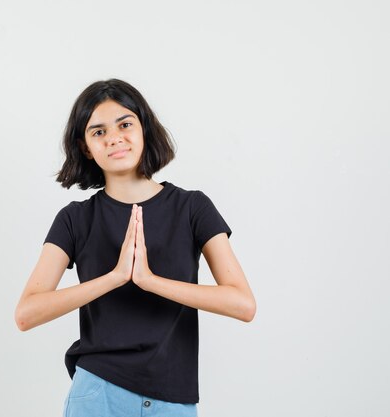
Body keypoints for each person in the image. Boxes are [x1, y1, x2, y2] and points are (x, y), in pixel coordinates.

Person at [14, 78, 256, 417]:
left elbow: (243, 304)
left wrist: (149, 280)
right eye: (97, 132)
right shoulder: (74, 219)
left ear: (144, 128)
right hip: (98, 393)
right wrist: (114, 277)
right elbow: (26, 314)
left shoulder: (193, 208)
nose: (114, 137)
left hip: (172, 400)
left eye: (124, 124)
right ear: (86, 147)